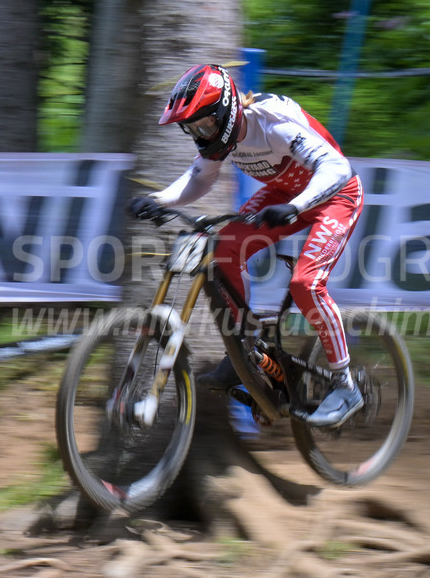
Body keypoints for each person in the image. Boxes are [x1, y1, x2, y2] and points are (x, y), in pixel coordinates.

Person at [128, 64, 364, 428]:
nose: (201, 136)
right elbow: (199, 179)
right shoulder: (222, 134)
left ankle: (347, 386)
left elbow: (338, 169)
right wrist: (160, 200)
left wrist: (297, 206)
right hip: (287, 194)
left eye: (204, 125)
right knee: (223, 248)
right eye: (191, 129)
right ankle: (247, 353)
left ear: (225, 110)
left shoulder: (272, 122)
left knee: (305, 285)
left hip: (335, 195)